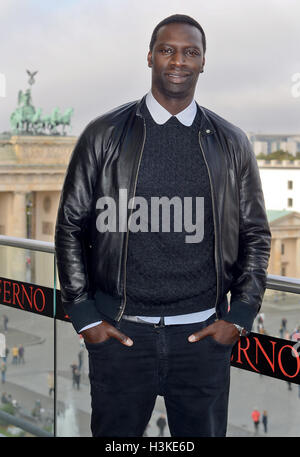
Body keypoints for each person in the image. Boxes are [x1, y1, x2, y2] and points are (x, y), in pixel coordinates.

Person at [55, 14, 271, 437]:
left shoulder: (232, 142)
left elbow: (255, 234)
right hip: (121, 334)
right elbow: (70, 228)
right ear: (150, 56)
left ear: (203, 62)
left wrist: (240, 315)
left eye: (190, 52)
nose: (179, 60)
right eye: (168, 50)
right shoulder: (103, 134)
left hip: (203, 337)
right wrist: (84, 314)